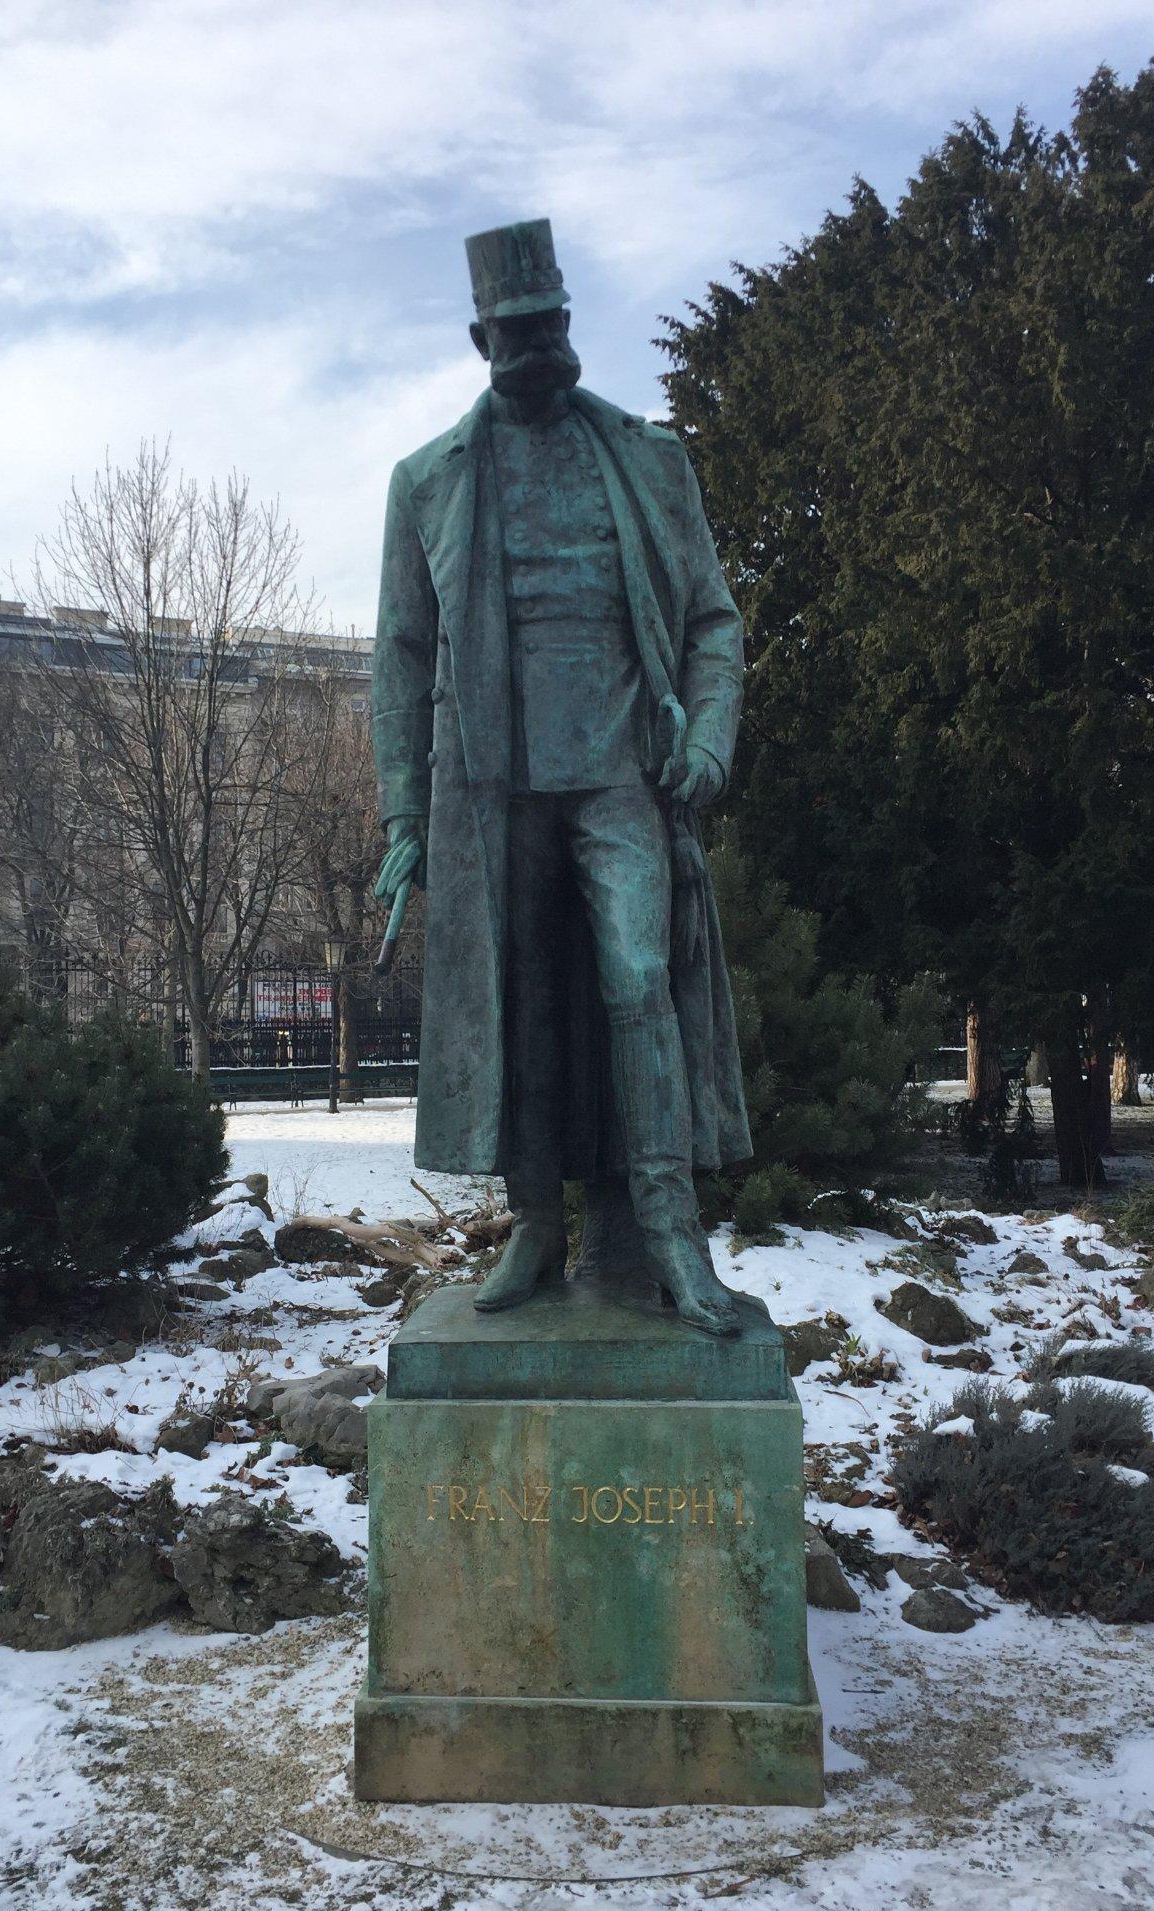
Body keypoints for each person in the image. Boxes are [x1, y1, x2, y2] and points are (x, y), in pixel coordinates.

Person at [371, 219, 751, 1336]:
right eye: (518, 334)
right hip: (490, 789)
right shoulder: (427, 482)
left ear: (571, 326)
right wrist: (403, 811)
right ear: (480, 335)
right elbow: (398, 654)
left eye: (554, 328)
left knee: (639, 978)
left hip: (624, 771)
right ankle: (538, 1223)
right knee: (520, 1004)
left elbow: (712, 622)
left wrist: (711, 741)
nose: (540, 349)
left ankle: (672, 1234)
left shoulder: (647, 458)